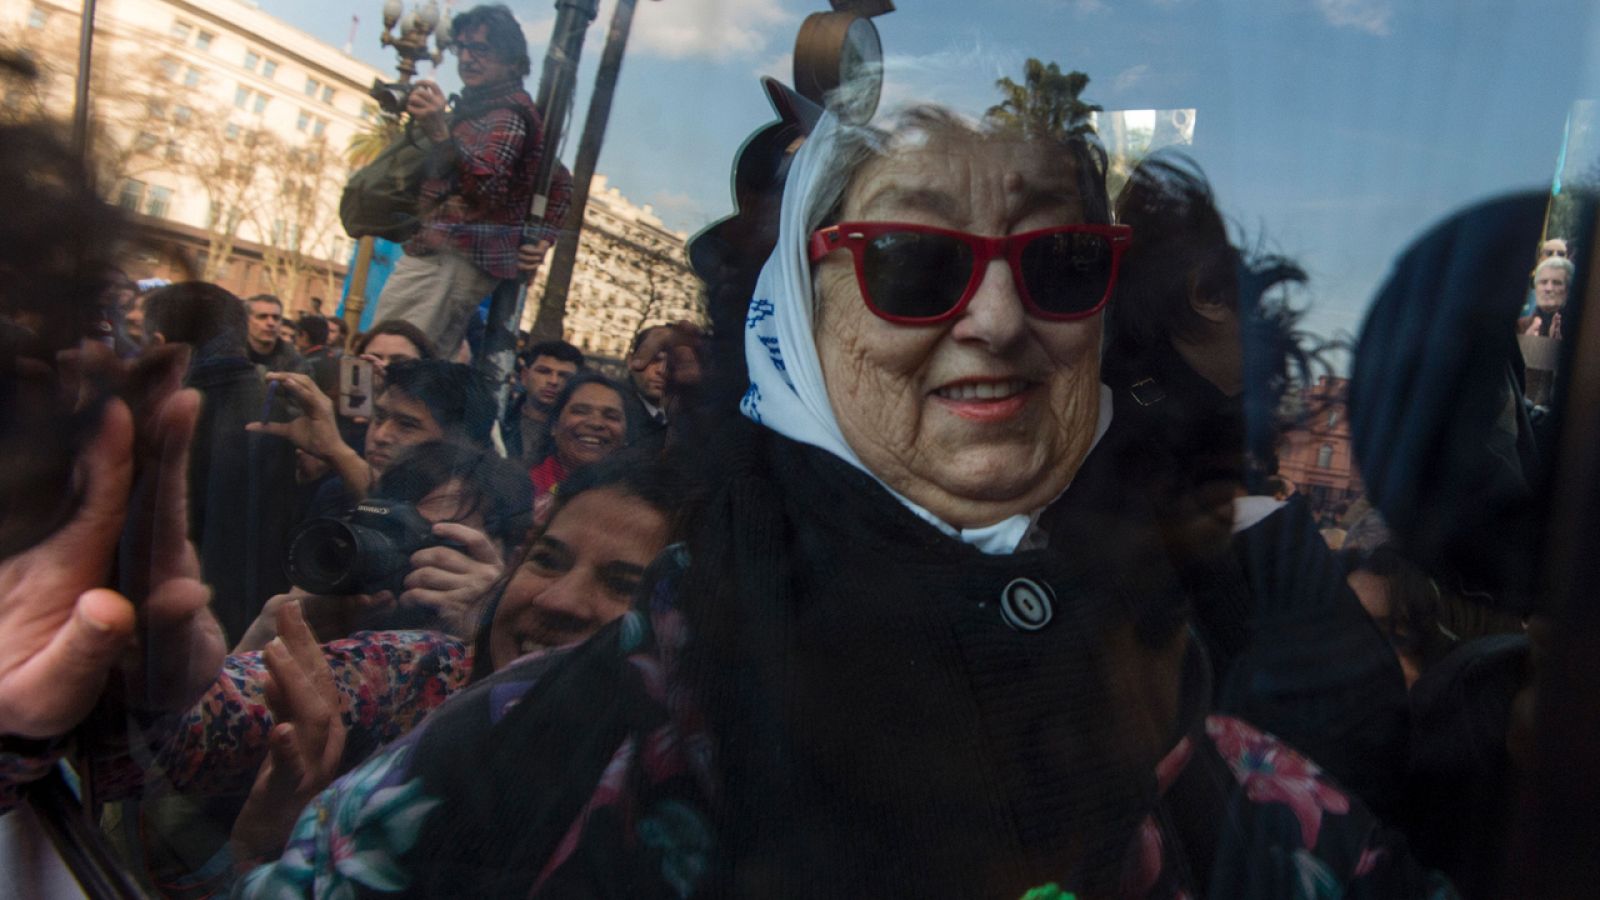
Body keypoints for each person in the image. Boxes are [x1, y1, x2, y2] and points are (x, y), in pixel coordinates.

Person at [227, 104, 1451, 898]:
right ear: (796, 344)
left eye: (1060, 265)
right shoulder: (538, 751)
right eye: (912, 264)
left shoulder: (1243, 812)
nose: (995, 319)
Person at [373, 3, 569, 361]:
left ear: (512, 61)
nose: (466, 58)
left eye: (480, 49)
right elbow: (561, 182)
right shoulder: (488, 106)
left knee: (387, 356)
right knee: (421, 364)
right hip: (449, 258)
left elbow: (486, 190)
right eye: (461, 47)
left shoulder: (507, 115)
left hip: (450, 259)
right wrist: (542, 237)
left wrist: (440, 135)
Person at [142, 282, 301, 643]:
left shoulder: (165, 413)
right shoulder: (278, 409)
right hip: (253, 626)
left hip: (181, 622)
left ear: (159, 343)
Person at [248, 359, 497, 510]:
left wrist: (337, 452)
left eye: (407, 425)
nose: (381, 435)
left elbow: (400, 524)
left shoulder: (478, 511)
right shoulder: (336, 493)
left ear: (459, 442)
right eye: (379, 417)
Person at [527, 371, 629, 515]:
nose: (596, 423)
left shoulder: (636, 500)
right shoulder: (519, 487)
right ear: (554, 425)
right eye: (580, 411)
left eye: (611, 416)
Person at [501, 339, 584, 461]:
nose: (553, 381)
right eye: (544, 372)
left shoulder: (581, 432)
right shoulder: (498, 419)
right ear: (525, 376)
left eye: (563, 375)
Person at [621, 324, 671, 453]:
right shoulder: (614, 412)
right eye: (654, 360)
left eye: (672, 363)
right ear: (631, 361)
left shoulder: (690, 420)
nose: (662, 370)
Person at [244, 294, 307, 373]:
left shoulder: (294, 361)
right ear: (246, 321)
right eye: (262, 317)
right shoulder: (231, 354)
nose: (271, 323)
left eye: (276, 318)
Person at [1518, 255, 1573, 338]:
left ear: (1568, 289)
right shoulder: (1520, 326)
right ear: (1535, 287)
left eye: (1557, 283)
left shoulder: (1580, 326)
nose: (1548, 288)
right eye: (1543, 282)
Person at [294, 314, 340, 395]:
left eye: (296, 335)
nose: (295, 339)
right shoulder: (335, 359)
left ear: (304, 335)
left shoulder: (304, 365)